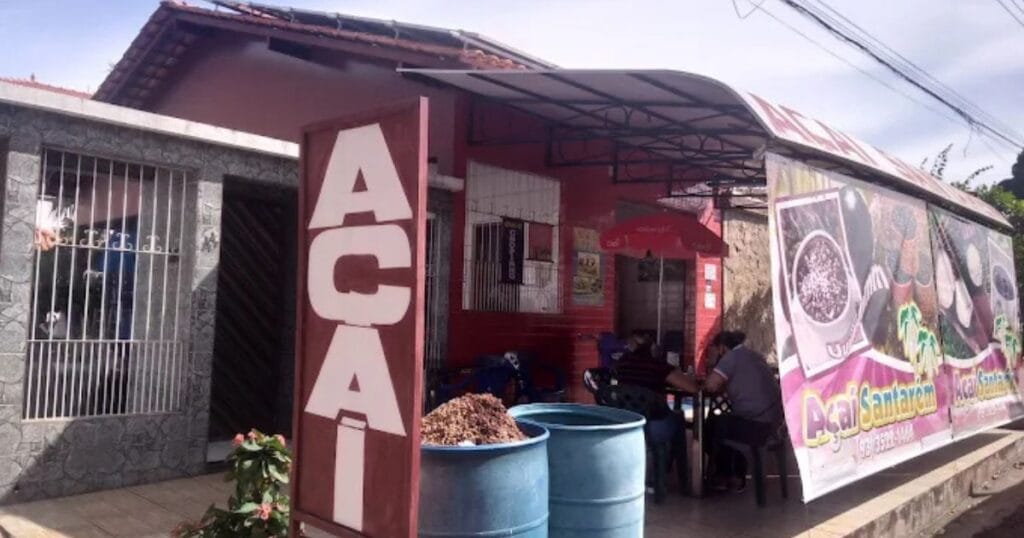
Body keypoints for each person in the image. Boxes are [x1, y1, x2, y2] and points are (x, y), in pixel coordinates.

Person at [674, 331, 783, 492]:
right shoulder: (754, 356)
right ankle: (732, 474)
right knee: (725, 424)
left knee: (709, 428)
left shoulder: (731, 358)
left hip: (755, 425)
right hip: (773, 424)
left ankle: (726, 476)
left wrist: (711, 369)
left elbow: (710, 386)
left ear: (722, 348)